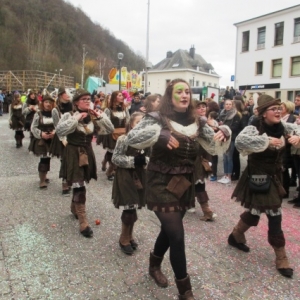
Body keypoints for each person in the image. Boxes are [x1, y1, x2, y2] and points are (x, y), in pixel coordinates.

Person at [125, 79, 231, 299]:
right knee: (177, 235)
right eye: (179, 92)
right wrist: (159, 135)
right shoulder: (156, 119)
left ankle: (154, 264)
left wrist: (224, 131)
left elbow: (213, 146)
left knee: (169, 231)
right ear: (169, 96)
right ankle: (186, 291)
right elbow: (132, 139)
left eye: (187, 92)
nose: (185, 95)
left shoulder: (198, 121)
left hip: (184, 183)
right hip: (160, 182)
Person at [228, 95, 300, 278]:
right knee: (275, 214)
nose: (278, 111)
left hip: (275, 177)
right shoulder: (254, 128)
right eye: (273, 109)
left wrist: (297, 137)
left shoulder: (285, 127)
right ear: (263, 113)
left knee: (254, 211)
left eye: (279, 108)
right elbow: (239, 142)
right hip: (257, 177)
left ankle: (236, 236)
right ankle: (281, 257)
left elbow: (299, 130)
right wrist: (265, 141)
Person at [56, 89, 114, 238]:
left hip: (87, 153)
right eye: (83, 99)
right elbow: (59, 131)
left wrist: (100, 117)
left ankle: (74, 207)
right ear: (76, 102)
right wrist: (75, 119)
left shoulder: (94, 116)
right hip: (73, 153)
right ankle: (83, 222)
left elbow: (110, 129)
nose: (88, 101)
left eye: (89, 98)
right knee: (79, 186)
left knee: (79, 183)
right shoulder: (69, 115)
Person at [112, 112, 148, 255]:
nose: (141, 125)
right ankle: (123, 238)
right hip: (126, 176)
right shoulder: (123, 139)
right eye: (138, 122)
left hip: (140, 175)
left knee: (134, 206)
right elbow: (115, 158)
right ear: (131, 124)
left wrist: (145, 161)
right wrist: (134, 161)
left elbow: (151, 157)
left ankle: (130, 235)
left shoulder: (147, 140)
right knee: (129, 206)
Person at [50, 87, 74, 195]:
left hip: (73, 136)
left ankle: (70, 180)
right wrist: (63, 139)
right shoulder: (56, 110)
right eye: (66, 93)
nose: (68, 95)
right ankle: (64, 182)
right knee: (64, 160)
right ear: (60, 96)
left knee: (73, 160)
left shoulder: (74, 106)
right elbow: (57, 126)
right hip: (62, 137)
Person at [29, 95, 56, 189]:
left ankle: (45, 176)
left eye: (50, 102)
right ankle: (42, 180)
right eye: (46, 102)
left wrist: (54, 132)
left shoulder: (55, 113)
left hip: (52, 139)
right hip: (42, 139)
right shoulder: (38, 114)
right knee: (44, 159)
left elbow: (59, 124)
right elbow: (33, 127)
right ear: (43, 103)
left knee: (48, 158)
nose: (48, 104)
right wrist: (41, 134)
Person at [101, 91, 130, 180]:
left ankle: (106, 163)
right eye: (120, 95)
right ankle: (110, 171)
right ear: (115, 97)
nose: (122, 97)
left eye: (122, 95)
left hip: (123, 133)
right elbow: (105, 122)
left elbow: (128, 121)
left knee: (120, 151)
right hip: (112, 134)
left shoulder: (125, 109)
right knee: (113, 152)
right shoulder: (108, 110)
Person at [217, 99, 241, 184]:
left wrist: (224, 128)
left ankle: (229, 176)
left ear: (232, 105)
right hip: (223, 138)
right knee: (224, 157)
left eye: (229, 104)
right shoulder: (222, 114)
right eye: (226, 104)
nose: (228, 106)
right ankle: (225, 175)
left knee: (229, 157)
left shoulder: (236, 115)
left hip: (231, 138)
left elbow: (235, 127)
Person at [231, 99, 249, 181]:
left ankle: (236, 173)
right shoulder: (235, 114)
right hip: (235, 136)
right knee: (234, 156)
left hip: (237, 137)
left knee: (235, 156)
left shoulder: (241, 115)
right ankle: (234, 172)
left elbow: (242, 127)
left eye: (233, 105)